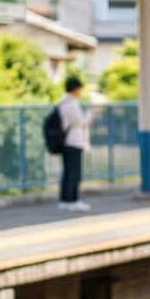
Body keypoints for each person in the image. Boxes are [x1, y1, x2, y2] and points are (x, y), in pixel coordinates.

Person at [55, 76, 90, 211]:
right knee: (74, 173)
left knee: (67, 172)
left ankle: (65, 200)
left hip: (65, 141)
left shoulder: (62, 102)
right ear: (75, 89)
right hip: (74, 141)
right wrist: (90, 115)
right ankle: (73, 200)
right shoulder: (71, 104)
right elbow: (81, 122)